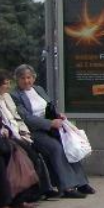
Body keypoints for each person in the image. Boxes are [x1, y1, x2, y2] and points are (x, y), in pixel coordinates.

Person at [11, 64, 94, 199]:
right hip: (34, 131)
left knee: (68, 145)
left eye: (29, 77)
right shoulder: (15, 95)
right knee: (56, 148)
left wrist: (58, 115)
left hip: (53, 127)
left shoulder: (39, 89)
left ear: (34, 78)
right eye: (23, 78)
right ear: (17, 79)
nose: (27, 81)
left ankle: (81, 183)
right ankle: (67, 187)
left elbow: (49, 106)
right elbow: (26, 117)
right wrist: (49, 123)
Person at [0, 71, 57, 200]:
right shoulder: (14, 95)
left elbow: (16, 118)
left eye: (9, 83)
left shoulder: (7, 97)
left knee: (35, 156)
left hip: (19, 133)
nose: (8, 86)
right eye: (5, 84)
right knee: (27, 157)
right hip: (9, 136)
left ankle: (42, 189)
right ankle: (26, 195)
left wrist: (24, 132)